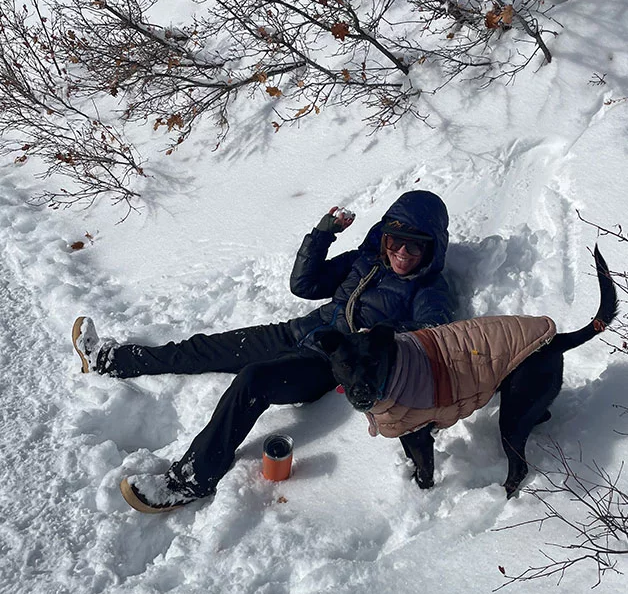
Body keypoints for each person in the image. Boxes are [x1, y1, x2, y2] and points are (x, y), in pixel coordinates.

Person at [72, 190, 454, 513]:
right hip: (297, 332)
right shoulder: (364, 260)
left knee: (253, 381)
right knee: (204, 348)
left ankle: (190, 480)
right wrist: (323, 234)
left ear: (432, 248)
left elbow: (433, 333)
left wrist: (377, 338)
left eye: (415, 245)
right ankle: (110, 360)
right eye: (394, 240)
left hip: (327, 364)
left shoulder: (428, 289)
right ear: (382, 237)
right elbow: (304, 285)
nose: (402, 252)